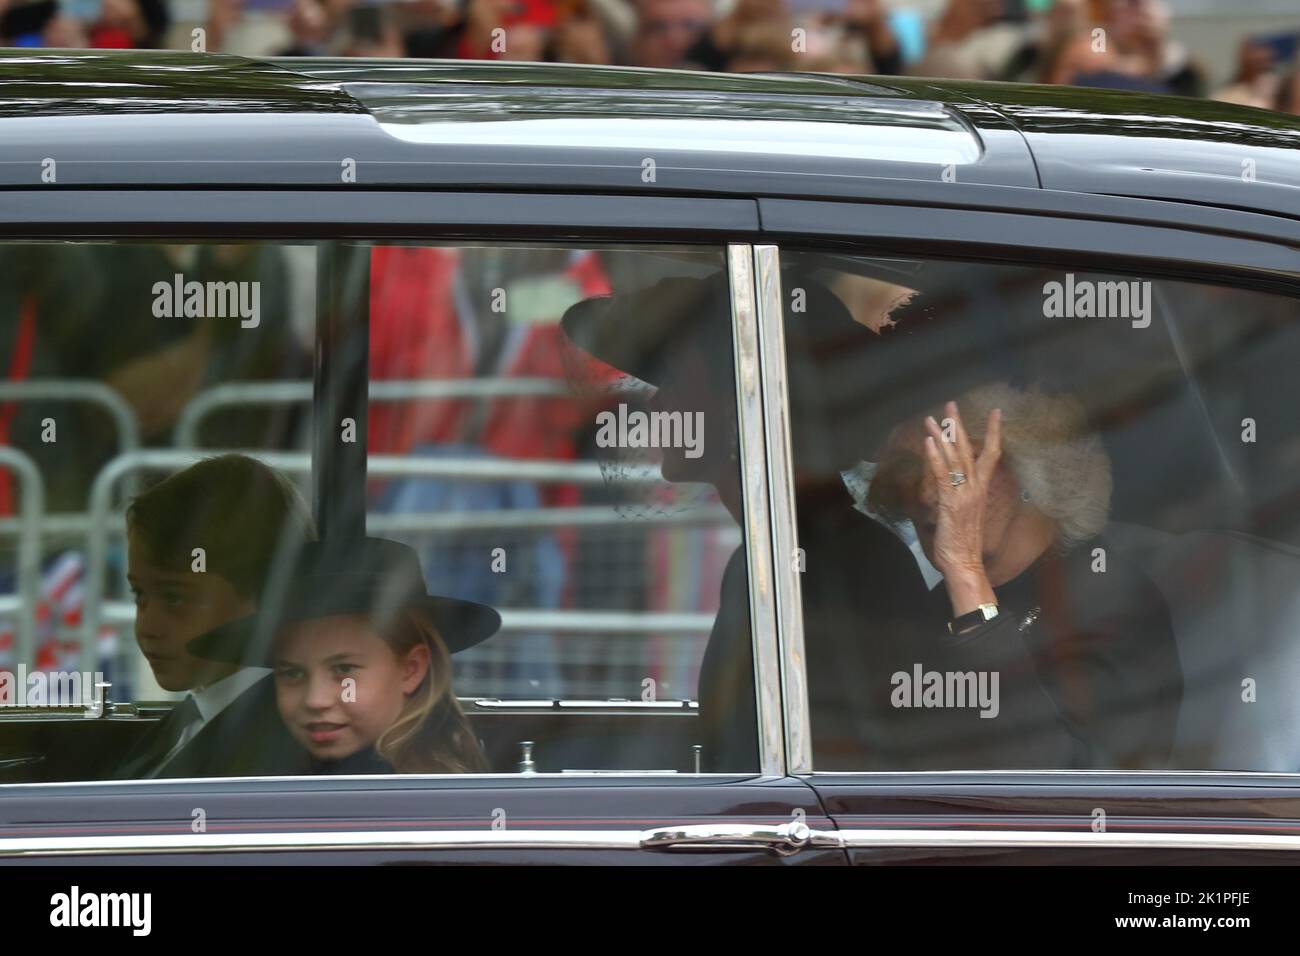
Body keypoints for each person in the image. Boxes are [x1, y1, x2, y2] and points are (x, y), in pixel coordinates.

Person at [561, 266, 931, 772]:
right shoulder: (775, 556)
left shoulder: (832, 571)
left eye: (674, 373)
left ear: (741, 400)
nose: (657, 400)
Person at [865, 382, 1183, 769]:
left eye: (959, 466)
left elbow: (1066, 791)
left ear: (1031, 471)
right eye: (908, 471)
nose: (929, 494)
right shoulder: (915, 612)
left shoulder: (1107, 596)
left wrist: (967, 575)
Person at [188, 537, 499, 775]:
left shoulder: (410, 794)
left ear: (411, 669)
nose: (315, 700)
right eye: (292, 673)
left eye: (344, 669)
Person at [113, 454, 316, 779]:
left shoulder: (274, 747)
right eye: (140, 596)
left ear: (269, 598)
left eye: (176, 598)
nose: (147, 626)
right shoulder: (195, 716)